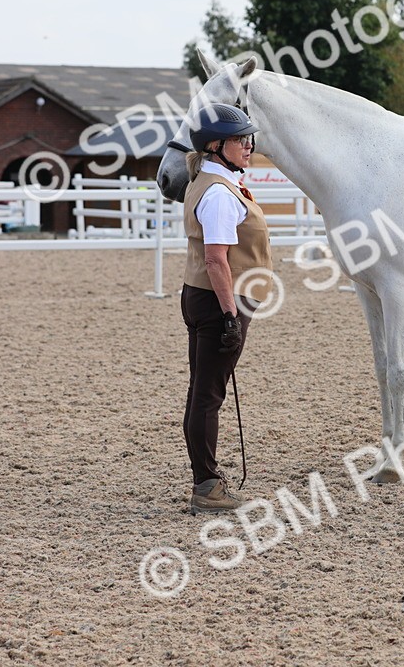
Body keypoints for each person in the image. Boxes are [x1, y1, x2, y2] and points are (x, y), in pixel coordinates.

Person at [180, 103, 274, 513]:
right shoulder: (218, 194)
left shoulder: (211, 181)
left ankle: (206, 479)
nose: (249, 146)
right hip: (220, 300)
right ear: (216, 145)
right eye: (240, 140)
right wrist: (231, 315)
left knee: (202, 390)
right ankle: (207, 487)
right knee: (208, 395)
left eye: (249, 138)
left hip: (201, 294)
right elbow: (217, 259)